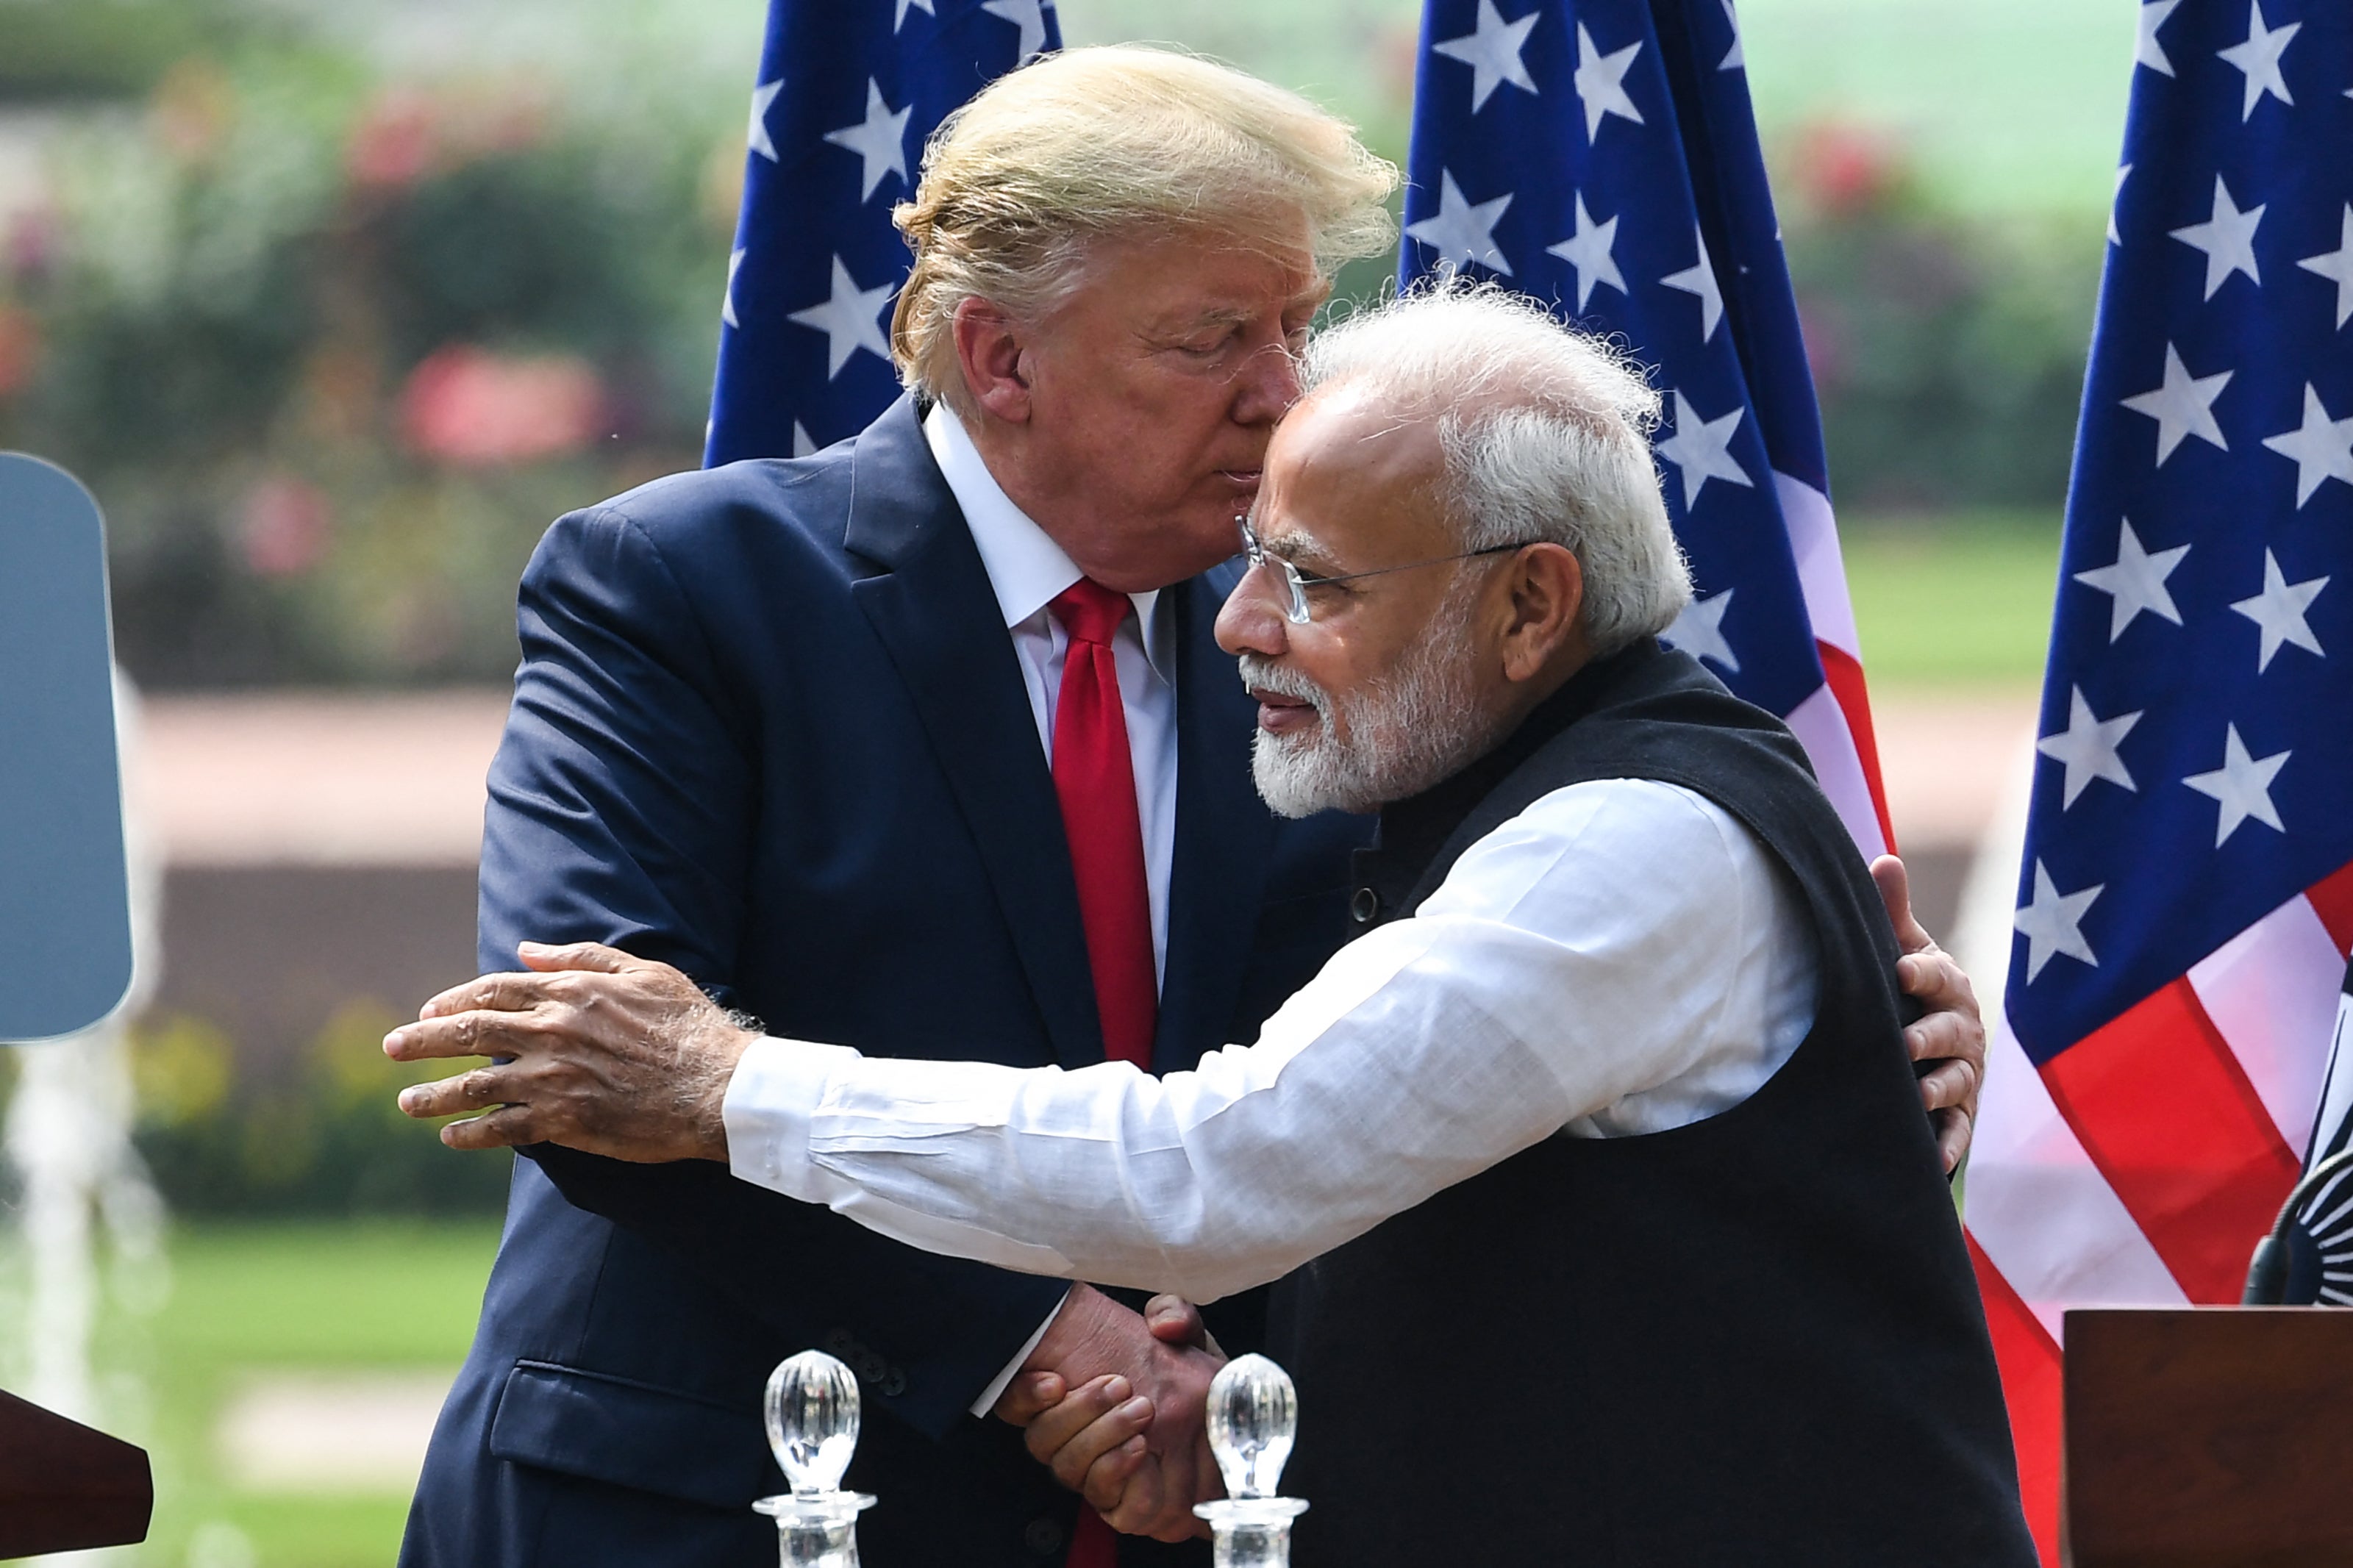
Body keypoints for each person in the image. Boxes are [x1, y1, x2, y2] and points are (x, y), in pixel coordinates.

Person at [392, 48, 1990, 1568]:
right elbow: (587, 1065)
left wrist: (1834, 1018)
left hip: (1204, 1493)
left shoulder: (1359, 635)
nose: (1284, 392)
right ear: (1000, 358)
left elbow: (1411, 1047)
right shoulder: (684, 590)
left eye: (1299, 322)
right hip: (736, 1500)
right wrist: (1030, 1347)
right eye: (1212, 336)